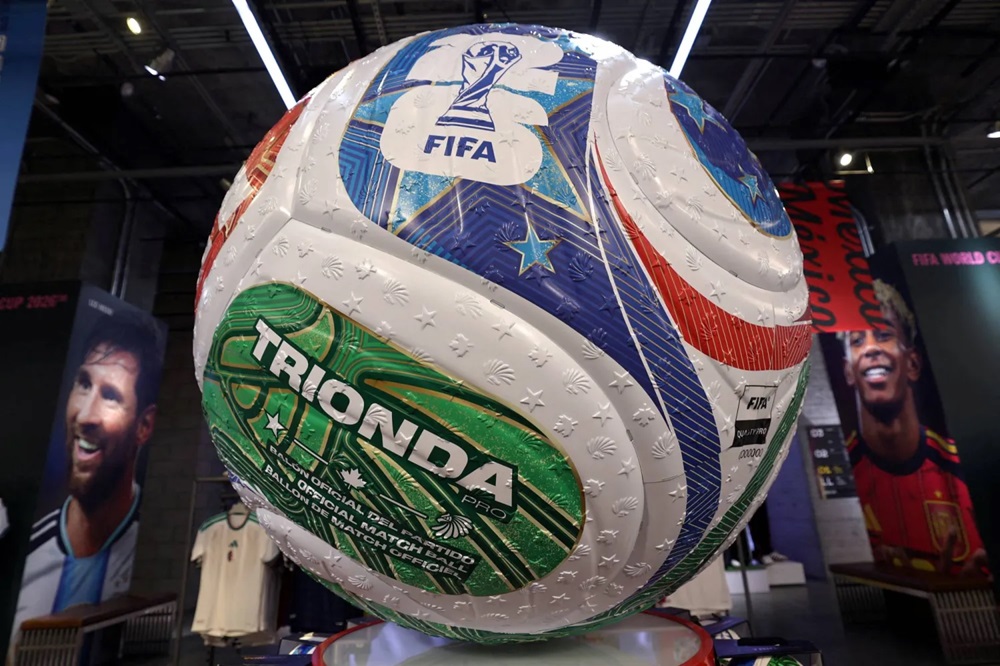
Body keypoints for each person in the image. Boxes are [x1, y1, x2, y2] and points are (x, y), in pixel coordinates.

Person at [11, 313, 163, 644]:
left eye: (110, 396)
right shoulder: (26, 554)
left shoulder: (148, 547)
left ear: (144, 425)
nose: (84, 416)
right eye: (83, 384)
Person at [844, 279, 988, 576]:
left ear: (912, 364)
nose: (870, 349)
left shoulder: (961, 469)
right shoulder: (850, 470)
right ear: (848, 371)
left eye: (883, 335)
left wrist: (969, 588)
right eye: (857, 340)